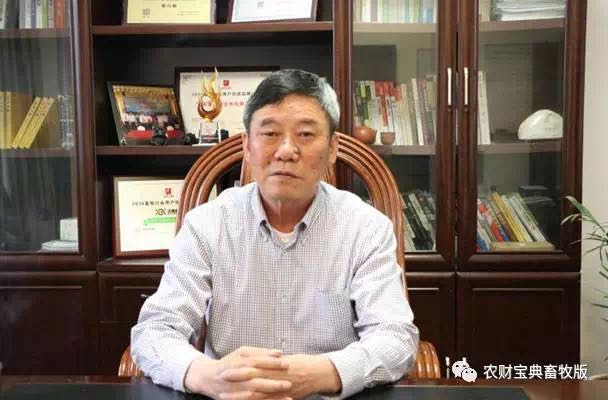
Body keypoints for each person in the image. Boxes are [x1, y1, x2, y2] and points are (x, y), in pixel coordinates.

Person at [131, 69, 419, 400]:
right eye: (269, 133)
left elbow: (395, 337)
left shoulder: (366, 228)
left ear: (333, 148)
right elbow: (156, 330)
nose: (286, 151)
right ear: (247, 146)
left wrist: (321, 374)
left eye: (306, 135)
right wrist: (207, 376)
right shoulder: (207, 225)